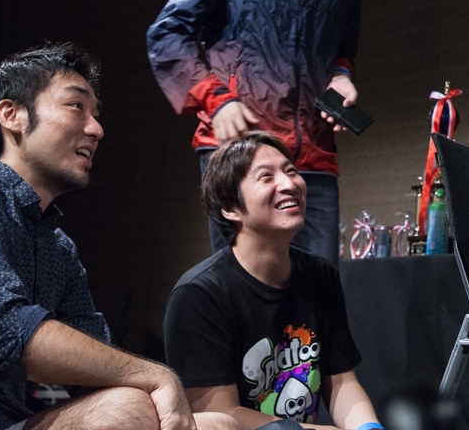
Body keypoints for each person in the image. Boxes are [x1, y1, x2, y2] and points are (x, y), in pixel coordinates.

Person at [0, 43, 237, 430]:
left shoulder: (58, 247)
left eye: (96, 115)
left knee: (220, 424)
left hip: (15, 420)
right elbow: (1, 334)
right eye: (76, 106)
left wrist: (152, 384)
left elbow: (96, 364)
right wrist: (158, 376)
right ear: (12, 115)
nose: (97, 129)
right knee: (127, 408)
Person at [147, 0, 380, 264]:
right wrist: (217, 101)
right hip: (240, 152)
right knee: (245, 284)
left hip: (313, 160)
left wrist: (342, 77)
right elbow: (167, 33)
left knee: (319, 286)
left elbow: (342, 53)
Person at [163, 131, 381, 430]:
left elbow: (341, 381)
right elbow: (220, 416)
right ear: (230, 207)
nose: (289, 184)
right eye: (266, 177)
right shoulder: (198, 295)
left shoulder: (320, 275)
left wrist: (368, 427)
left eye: (291, 171)